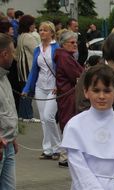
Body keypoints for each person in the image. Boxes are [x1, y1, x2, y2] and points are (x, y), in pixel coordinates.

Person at [22, 21, 62, 160]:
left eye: (45, 30)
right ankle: (48, 150)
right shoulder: (37, 49)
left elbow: (61, 69)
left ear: (51, 32)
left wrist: (59, 84)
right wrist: (27, 88)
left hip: (54, 88)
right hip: (40, 87)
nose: (42, 32)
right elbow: (34, 70)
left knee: (49, 116)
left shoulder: (57, 48)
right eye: (40, 30)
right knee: (44, 119)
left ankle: (58, 147)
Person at [0, 33, 22, 190]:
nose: (14, 56)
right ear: (4, 53)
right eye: (13, 51)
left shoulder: (4, 76)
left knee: (7, 189)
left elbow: (7, 110)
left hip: (7, 143)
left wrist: (12, 135)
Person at [54, 31, 83, 132]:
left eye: (76, 42)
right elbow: (78, 76)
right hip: (69, 97)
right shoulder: (64, 57)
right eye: (72, 42)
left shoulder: (67, 56)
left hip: (68, 96)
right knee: (70, 127)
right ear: (64, 44)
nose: (75, 44)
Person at [15, 14, 38, 122]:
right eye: (33, 24)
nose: (34, 26)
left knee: (24, 92)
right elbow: (36, 51)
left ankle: (22, 115)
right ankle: (28, 116)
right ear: (29, 25)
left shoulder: (21, 36)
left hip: (21, 68)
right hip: (28, 68)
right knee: (28, 92)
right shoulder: (28, 37)